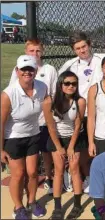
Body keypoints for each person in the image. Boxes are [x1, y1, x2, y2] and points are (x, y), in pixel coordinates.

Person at [9, 38, 58, 195]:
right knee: (24, 163)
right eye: (31, 51)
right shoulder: (18, 71)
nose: (35, 54)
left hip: (43, 120)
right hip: (23, 125)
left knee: (46, 151)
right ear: (26, 52)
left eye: (38, 51)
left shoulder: (49, 70)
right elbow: (12, 94)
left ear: (42, 52)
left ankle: (49, 178)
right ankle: (23, 185)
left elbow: (52, 94)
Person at [1, 55, 47, 219]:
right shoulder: (8, 94)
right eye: (23, 69)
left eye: (30, 69)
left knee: (33, 172)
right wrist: (0, 149)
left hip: (33, 135)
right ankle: (18, 207)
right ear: (17, 71)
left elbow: (47, 107)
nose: (27, 72)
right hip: (13, 138)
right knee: (18, 174)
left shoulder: (42, 87)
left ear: (35, 71)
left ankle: (32, 202)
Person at [59, 31, 103, 193]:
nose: (82, 50)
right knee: (79, 149)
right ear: (73, 50)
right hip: (77, 115)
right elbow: (61, 85)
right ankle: (75, 176)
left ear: (89, 44)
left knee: (95, 148)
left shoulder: (101, 60)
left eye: (84, 46)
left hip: (97, 113)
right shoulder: (70, 65)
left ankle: (92, 178)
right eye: (77, 48)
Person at [43, 71, 86, 219]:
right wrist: (60, 147)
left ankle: (77, 204)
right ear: (60, 84)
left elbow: (78, 125)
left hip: (73, 138)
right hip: (57, 138)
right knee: (59, 171)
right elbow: (51, 126)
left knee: (74, 169)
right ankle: (57, 207)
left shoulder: (80, 101)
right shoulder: (49, 101)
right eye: (67, 83)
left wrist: (71, 147)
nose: (70, 86)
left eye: (74, 83)